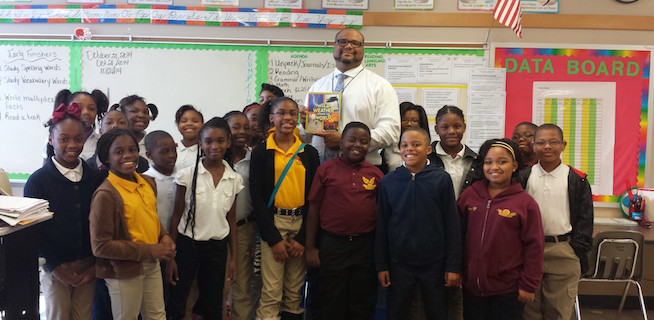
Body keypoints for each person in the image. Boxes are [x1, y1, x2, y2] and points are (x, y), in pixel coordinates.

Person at [375, 127, 462, 320]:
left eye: (416, 144)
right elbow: (382, 226)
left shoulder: (441, 179)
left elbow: (452, 225)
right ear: (399, 149)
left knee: (437, 311)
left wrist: (453, 266)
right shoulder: (389, 181)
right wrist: (382, 265)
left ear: (428, 149)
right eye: (404, 145)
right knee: (397, 311)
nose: (409, 149)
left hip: (434, 265)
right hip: (399, 264)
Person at [89, 128, 176, 320]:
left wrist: (163, 235)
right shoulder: (106, 194)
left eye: (132, 150)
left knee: (157, 316)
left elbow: (150, 217)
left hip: (151, 264)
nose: (127, 155)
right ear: (107, 159)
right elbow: (100, 246)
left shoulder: (147, 183)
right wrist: (150, 250)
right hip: (123, 271)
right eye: (119, 152)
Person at [25, 103, 101, 320]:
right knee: (58, 315)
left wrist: (94, 266)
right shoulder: (38, 181)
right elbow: (34, 231)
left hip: (88, 267)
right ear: (51, 140)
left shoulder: (94, 177)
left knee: (83, 316)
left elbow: (100, 223)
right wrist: (55, 266)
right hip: (54, 269)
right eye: (64, 139)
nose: (72, 145)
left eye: (78, 138)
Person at [457, 138, 544, 320]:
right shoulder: (469, 196)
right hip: (472, 288)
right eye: (488, 162)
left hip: (508, 291)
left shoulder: (525, 203)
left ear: (514, 166)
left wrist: (528, 285)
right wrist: (457, 270)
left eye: (502, 162)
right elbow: (457, 237)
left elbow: (534, 247)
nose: (494, 167)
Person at [250, 97, 320, 320]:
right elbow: (257, 198)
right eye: (281, 113)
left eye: (292, 113)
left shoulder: (308, 153)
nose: (287, 118)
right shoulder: (261, 153)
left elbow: (313, 199)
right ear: (272, 118)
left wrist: (302, 239)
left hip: (300, 224)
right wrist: (273, 239)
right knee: (271, 292)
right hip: (274, 225)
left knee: (293, 292)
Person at [305, 121, 383, 320]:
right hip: (332, 246)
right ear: (341, 144)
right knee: (332, 301)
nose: (357, 145)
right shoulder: (326, 170)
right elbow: (314, 208)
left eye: (364, 142)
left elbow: (383, 213)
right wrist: (311, 247)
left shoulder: (376, 174)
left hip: (365, 248)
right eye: (352, 140)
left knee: (362, 302)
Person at [166, 117, 242, 320]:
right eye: (208, 141)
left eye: (220, 141)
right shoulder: (186, 176)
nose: (214, 146)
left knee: (213, 303)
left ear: (228, 143)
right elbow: (176, 216)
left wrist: (233, 258)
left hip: (216, 249)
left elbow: (231, 220)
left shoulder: (234, 179)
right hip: (187, 246)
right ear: (201, 144)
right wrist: (172, 257)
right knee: (179, 301)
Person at [520, 124, 593, 320]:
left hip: (563, 250)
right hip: (529, 251)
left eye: (553, 142)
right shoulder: (524, 177)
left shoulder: (576, 179)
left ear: (563, 145)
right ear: (534, 146)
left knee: (559, 312)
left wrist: (574, 249)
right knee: (529, 311)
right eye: (541, 142)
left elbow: (585, 219)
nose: (547, 147)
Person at [305, 28, 400, 166]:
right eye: (342, 41)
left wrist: (346, 141)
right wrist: (305, 124)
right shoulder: (318, 86)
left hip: (363, 170)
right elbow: (306, 137)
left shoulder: (379, 86)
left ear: (363, 49)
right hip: (320, 169)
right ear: (334, 46)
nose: (348, 46)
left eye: (355, 43)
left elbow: (391, 131)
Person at [221, 110, 258, 320]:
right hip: (216, 231)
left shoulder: (255, 159)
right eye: (236, 127)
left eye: (246, 127)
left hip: (244, 230)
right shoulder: (214, 159)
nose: (242, 132)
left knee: (242, 285)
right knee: (219, 286)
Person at [42, 89, 109, 162]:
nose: (86, 112)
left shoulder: (101, 143)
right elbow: (45, 169)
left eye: (91, 109)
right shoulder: (55, 139)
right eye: (79, 108)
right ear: (67, 108)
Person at [143, 130, 178, 231]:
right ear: (149, 155)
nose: (172, 155)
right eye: (165, 152)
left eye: (174, 150)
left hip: (180, 237)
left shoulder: (182, 177)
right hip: (155, 235)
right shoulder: (145, 181)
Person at [111, 95, 159, 159]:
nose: (141, 115)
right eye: (134, 111)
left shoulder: (154, 145)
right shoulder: (112, 143)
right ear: (121, 114)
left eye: (145, 112)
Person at [175, 105, 204, 170]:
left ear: (202, 124)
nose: (189, 124)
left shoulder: (206, 151)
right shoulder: (172, 149)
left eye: (195, 121)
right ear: (177, 124)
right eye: (184, 121)